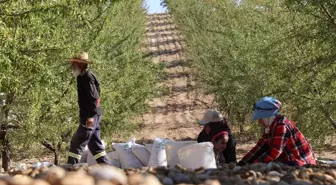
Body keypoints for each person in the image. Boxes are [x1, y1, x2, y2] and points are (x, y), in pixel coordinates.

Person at [237, 97, 317, 167]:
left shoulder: (281, 126)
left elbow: (275, 152)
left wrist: (255, 164)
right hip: (288, 160)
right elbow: (260, 147)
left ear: (266, 117)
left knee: (268, 168)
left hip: (301, 162)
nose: (259, 122)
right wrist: (244, 161)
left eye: (260, 118)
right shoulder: (270, 126)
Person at [66, 52, 110, 164]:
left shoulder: (87, 77)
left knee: (78, 140)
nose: (72, 66)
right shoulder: (81, 77)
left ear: (80, 65)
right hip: (92, 113)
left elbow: (95, 99)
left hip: (92, 114)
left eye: (74, 64)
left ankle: (71, 170)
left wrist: (91, 117)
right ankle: (108, 169)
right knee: (95, 146)